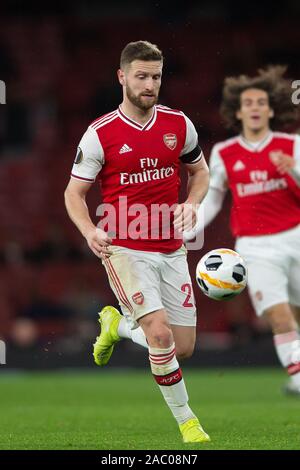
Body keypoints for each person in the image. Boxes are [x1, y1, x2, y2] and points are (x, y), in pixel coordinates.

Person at [64, 40, 210, 443]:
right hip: (124, 247)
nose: (150, 84)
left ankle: (116, 326)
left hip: (171, 247)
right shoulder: (100, 134)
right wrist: (90, 231)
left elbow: (201, 173)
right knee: (160, 336)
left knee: (182, 348)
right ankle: (188, 422)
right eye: (142, 76)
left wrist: (192, 203)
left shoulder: (178, 125)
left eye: (156, 77)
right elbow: (73, 194)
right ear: (122, 77)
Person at [185, 66, 300, 394]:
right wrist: (186, 232)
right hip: (255, 246)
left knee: (296, 314)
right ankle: (298, 377)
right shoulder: (224, 153)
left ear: (270, 109)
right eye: (247, 102)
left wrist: (294, 170)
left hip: (296, 236)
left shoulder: (292, 145)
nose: (254, 107)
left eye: (260, 102)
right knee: (278, 315)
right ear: (238, 111)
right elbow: (212, 201)